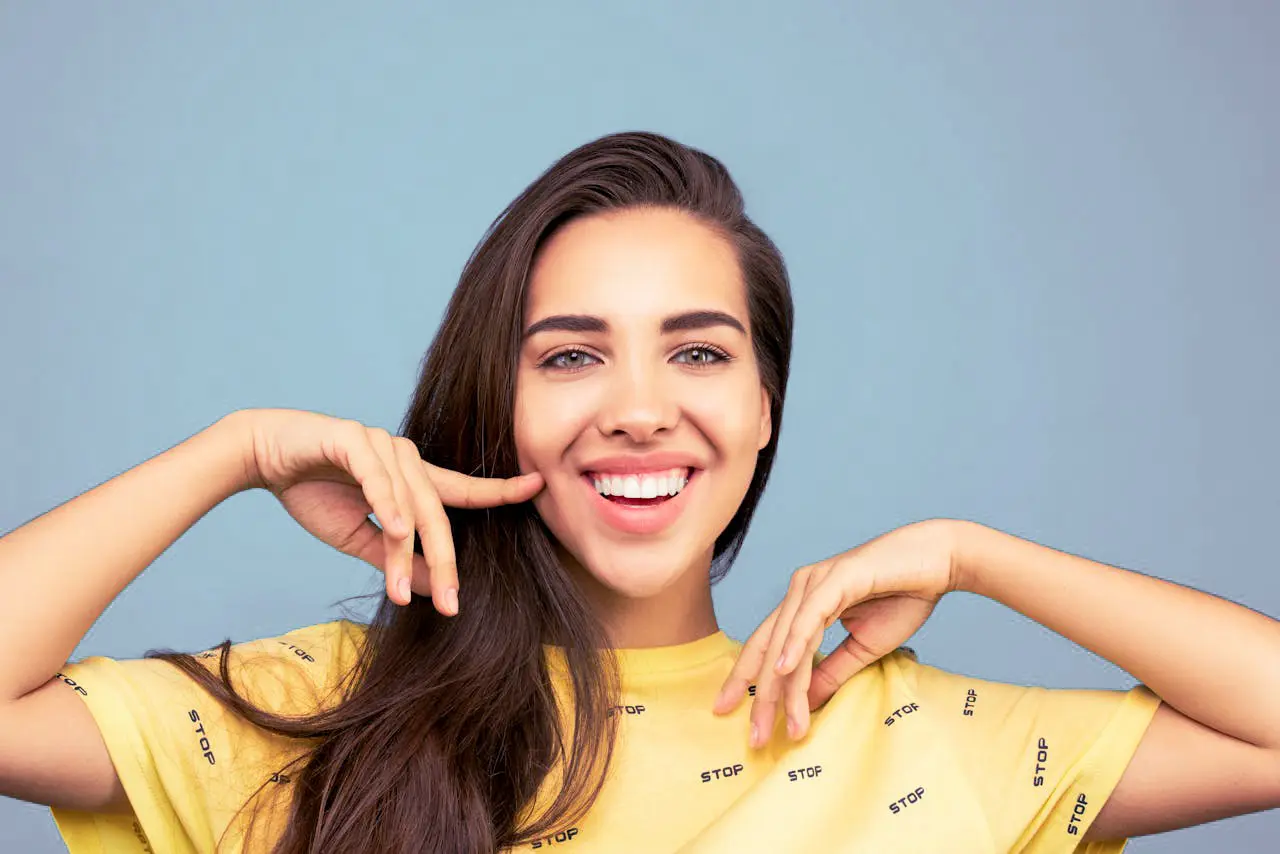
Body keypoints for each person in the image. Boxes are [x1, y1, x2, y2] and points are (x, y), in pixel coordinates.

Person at [1, 131, 1277, 854]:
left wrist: (973, 554)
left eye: (698, 350)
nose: (636, 405)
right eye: (568, 354)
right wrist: (233, 452)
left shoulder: (915, 735)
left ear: (764, 405)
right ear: (493, 401)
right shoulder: (325, 715)